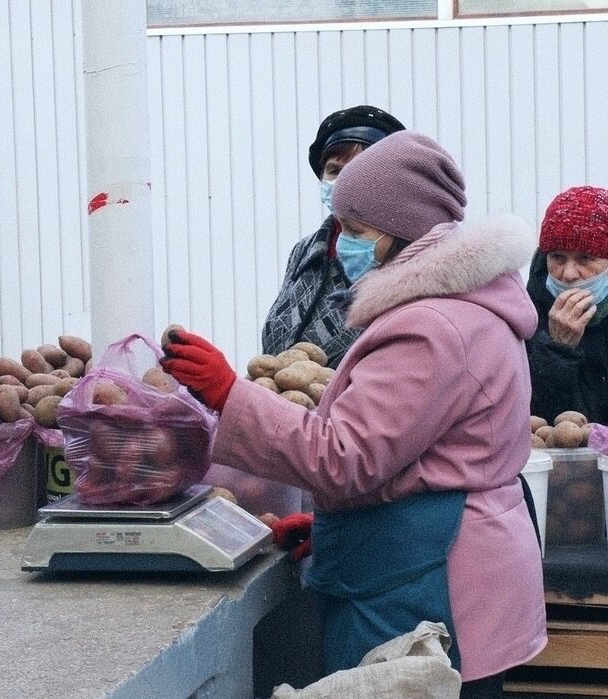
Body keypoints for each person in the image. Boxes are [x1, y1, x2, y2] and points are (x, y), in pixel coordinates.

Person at [161, 131, 546, 696]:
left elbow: (346, 457)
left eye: (359, 232)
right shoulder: (467, 307)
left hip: (429, 586)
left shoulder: (431, 328)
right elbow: (424, 456)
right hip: (428, 557)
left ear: (401, 233)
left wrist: (228, 395)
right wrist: (339, 528)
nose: (343, 247)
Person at [261, 105, 406, 368]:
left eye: (361, 170)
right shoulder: (305, 252)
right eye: (335, 170)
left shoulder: (401, 255)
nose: (346, 183)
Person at [526, 185, 608, 424]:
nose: (569, 274)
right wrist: (558, 348)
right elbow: (535, 419)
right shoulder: (527, 317)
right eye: (558, 258)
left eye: (585, 258)